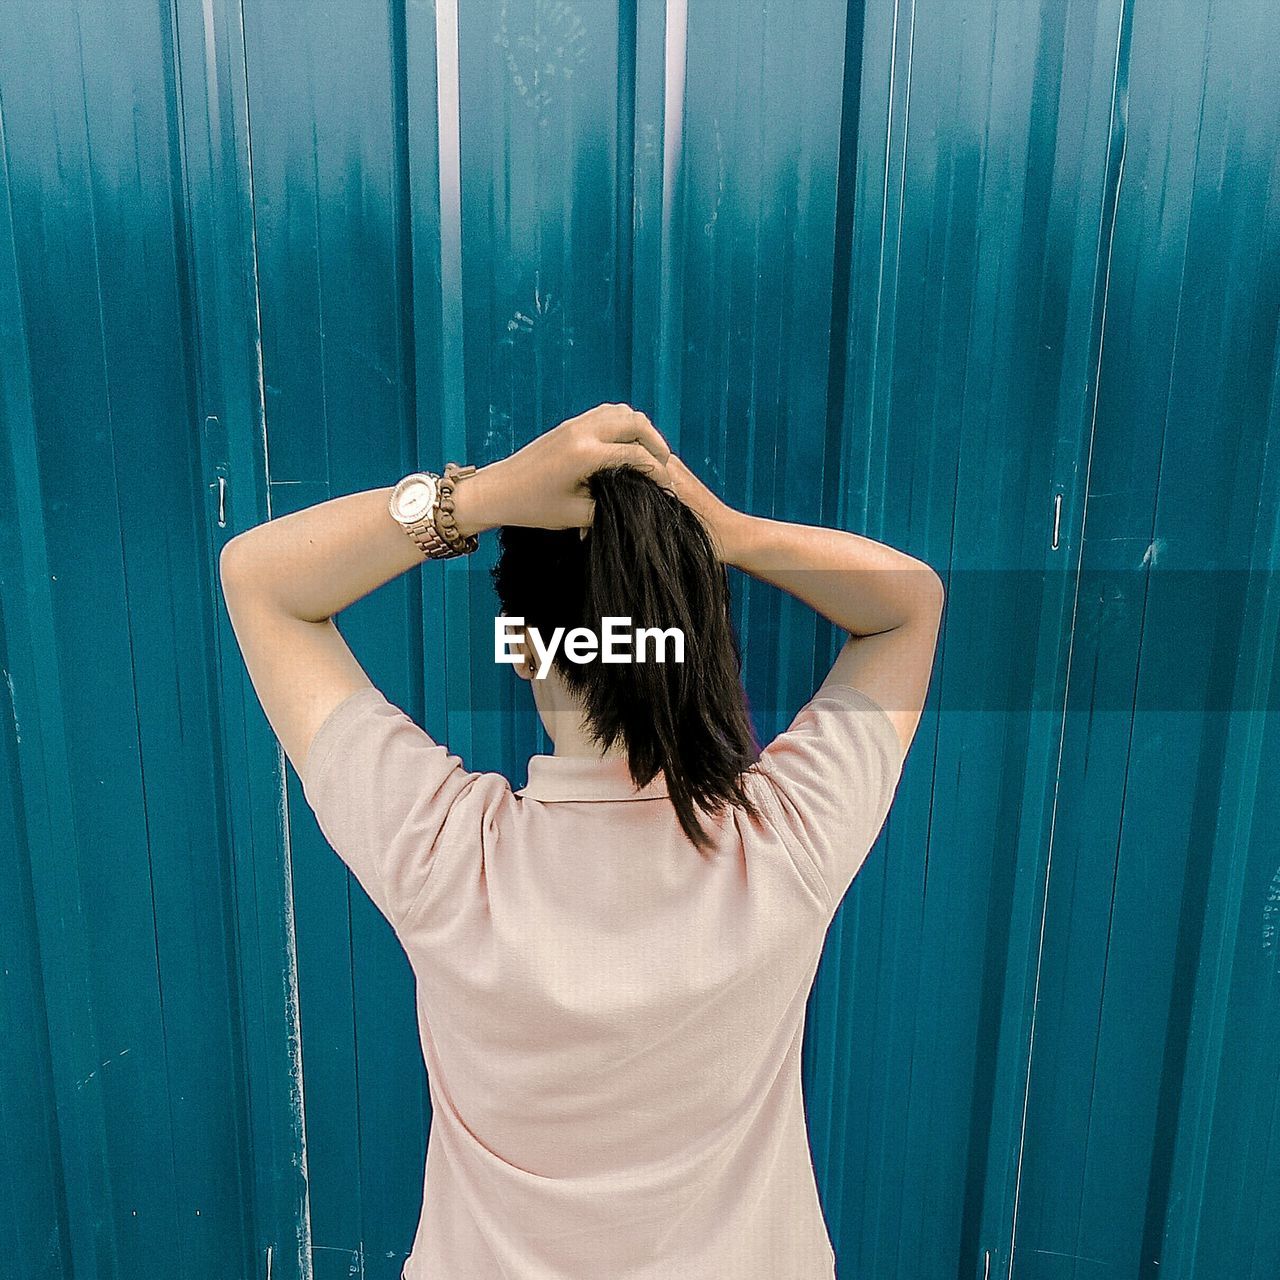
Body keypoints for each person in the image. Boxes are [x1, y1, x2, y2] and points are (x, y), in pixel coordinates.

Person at [219, 402, 943, 1280]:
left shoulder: (442, 854)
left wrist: (477, 499)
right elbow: (909, 605)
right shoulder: (787, 838)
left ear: (524, 646)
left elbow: (259, 580)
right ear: (698, 637)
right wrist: (727, 532)